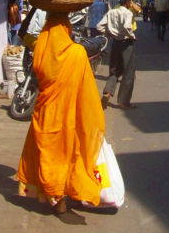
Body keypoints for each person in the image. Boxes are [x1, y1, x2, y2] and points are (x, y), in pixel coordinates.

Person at [16, 12, 105, 222]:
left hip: (45, 114)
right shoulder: (77, 53)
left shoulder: (40, 48)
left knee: (48, 155)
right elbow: (86, 89)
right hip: (69, 115)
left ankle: (54, 195)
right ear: (66, 30)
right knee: (67, 154)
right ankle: (61, 194)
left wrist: (33, 10)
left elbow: (21, 33)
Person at [97, 0, 137, 110]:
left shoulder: (111, 12)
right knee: (129, 72)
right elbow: (126, 27)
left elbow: (99, 26)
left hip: (115, 43)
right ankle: (124, 102)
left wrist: (109, 33)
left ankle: (107, 93)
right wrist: (132, 36)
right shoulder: (128, 13)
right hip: (126, 44)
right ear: (129, 1)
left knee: (114, 71)